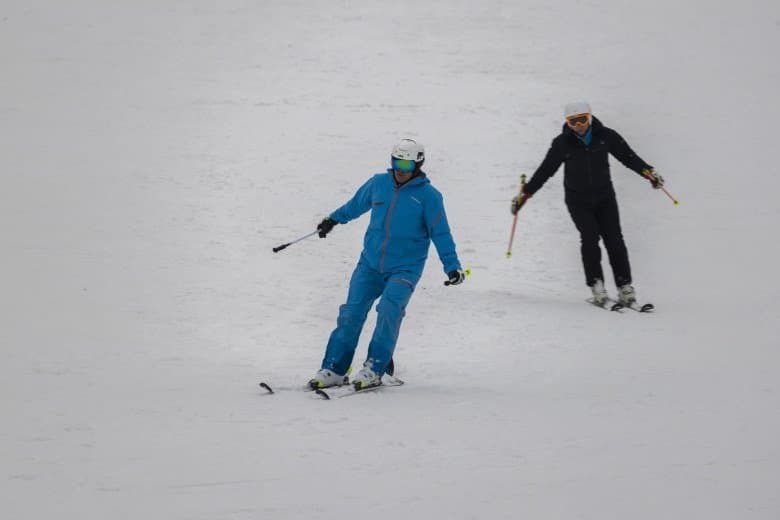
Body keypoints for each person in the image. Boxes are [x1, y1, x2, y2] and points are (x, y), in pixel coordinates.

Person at [309, 138, 465, 390]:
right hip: (370, 264)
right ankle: (335, 368)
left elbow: (441, 233)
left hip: (405, 268)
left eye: (406, 165)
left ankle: (375, 368)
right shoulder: (378, 184)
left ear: (418, 164)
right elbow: (354, 206)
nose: (400, 170)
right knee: (350, 313)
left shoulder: (429, 197)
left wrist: (452, 266)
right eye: (396, 163)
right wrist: (332, 220)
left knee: (389, 310)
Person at [511, 101, 665, 306]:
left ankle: (624, 286)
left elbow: (629, 157)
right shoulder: (562, 143)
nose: (579, 126)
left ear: (590, 117)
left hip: (605, 198)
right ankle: (596, 285)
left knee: (614, 239)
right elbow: (545, 171)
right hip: (578, 200)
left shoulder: (606, 136)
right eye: (573, 122)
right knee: (590, 238)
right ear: (568, 123)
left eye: (582, 120)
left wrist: (649, 173)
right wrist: (525, 194)